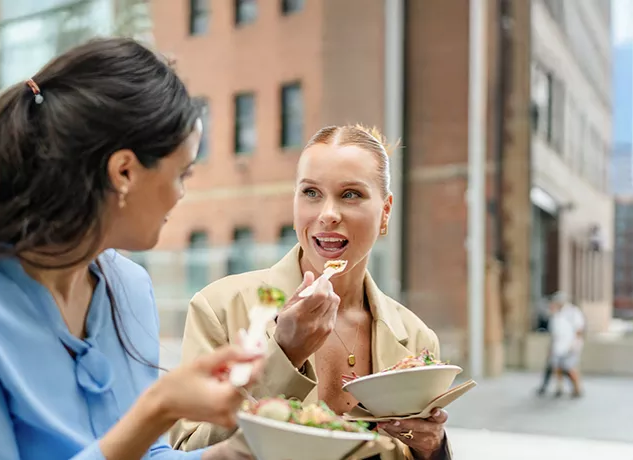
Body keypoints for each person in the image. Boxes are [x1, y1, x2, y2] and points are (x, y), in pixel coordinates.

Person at [0, 37, 262, 460]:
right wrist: (157, 409)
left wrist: (234, 454)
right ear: (124, 171)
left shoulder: (128, 286)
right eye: (182, 173)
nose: (181, 194)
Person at [171, 125, 452, 460]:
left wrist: (432, 448)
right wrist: (284, 356)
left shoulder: (417, 339)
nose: (328, 214)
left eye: (351, 194)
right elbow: (188, 450)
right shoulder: (220, 309)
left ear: (386, 212)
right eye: (311, 193)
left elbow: (415, 445)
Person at [537, 291, 585, 398]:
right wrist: (551, 347)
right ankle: (559, 387)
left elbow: (579, 329)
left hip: (570, 345)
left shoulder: (573, 312)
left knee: (570, 368)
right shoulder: (556, 314)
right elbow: (554, 333)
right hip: (558, 346)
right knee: (557, 367)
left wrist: (575, 344)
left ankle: (577, 389)